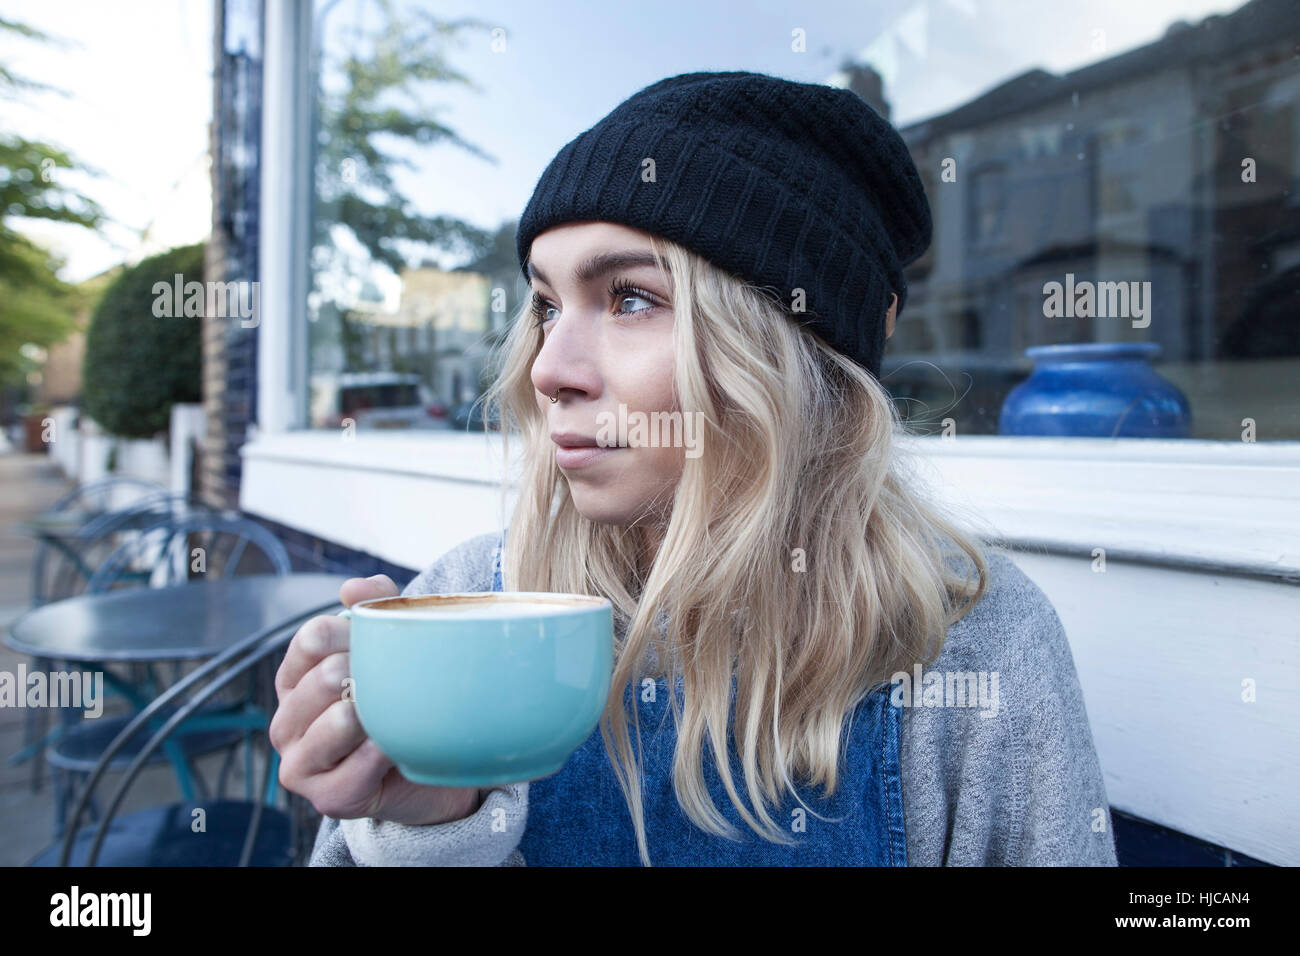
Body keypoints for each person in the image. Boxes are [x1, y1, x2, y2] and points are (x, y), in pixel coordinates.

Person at [272, 70, 1117, 866]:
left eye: (631, 298)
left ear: (786, 356)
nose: (546, 368)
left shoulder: (967, 640)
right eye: (546, 304)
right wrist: (430, 828)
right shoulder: (462, 608)